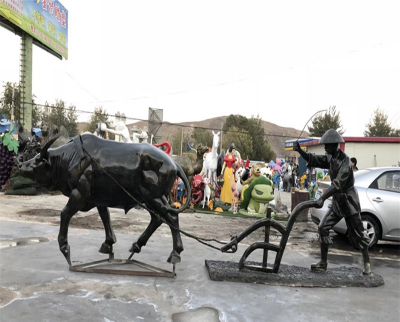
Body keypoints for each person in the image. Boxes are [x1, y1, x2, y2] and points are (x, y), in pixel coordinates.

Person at [294, 129, 371, 275]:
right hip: (337, 202)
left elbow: (337, 184)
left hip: (349, 202)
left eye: (327, 145)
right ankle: (323, 263)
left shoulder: (346, 162)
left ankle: (367, 264)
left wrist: (322, 198)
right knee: (323, 227)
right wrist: (300, 151)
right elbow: (313, 159)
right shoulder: (330, 158)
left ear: (335, 145)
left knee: (359, 234)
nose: (324, 147)